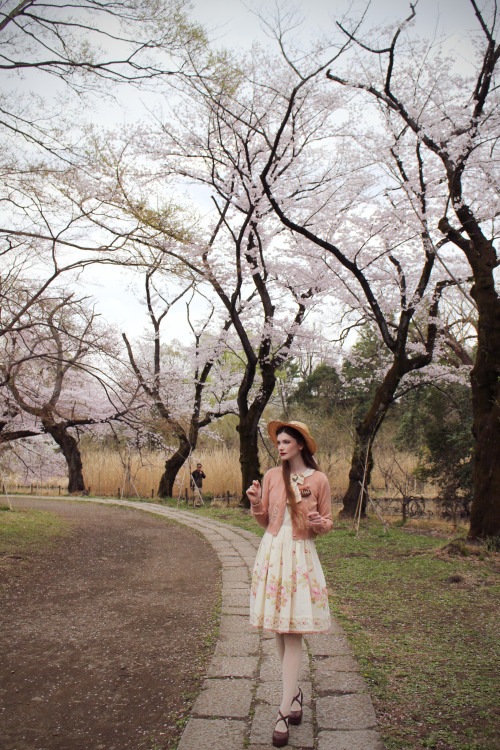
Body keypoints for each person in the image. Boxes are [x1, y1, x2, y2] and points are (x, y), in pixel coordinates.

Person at [246, 420, 332, 748]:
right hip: (272, 551)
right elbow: (265, 519)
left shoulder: (319, 480)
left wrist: (318, 523)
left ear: (300, 445)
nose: (280, 446)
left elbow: (327, 522)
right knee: (279, 629)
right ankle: (294, 694)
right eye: (278, 441)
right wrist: (255, 501)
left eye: (286, 441)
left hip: (300, 555)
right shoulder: (271, 476)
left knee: (292, 630)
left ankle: (282, 710)